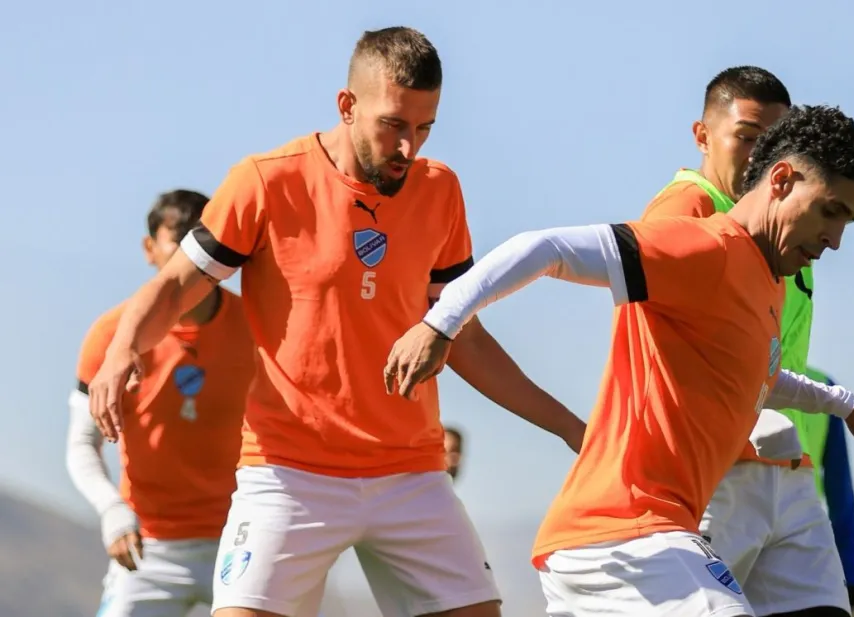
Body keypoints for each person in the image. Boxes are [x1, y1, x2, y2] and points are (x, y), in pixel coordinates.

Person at [86, 26, 585, 617]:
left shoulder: (441, 190)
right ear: (347, 106)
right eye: (394, 126)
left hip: (410, 472)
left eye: (424, 129)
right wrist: (121, 350)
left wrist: (572, 428)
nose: (409, 150)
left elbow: (466, 339)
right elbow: (172, 287)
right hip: (288, 474)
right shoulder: (267, 180)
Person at [384, 103, 854, 617]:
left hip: (655, 537)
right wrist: (440, 323)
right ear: (782, 180)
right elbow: (545, 247)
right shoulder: (704, 245)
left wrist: (846, 406)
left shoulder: (767, 282)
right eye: (830, 211)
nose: (835, 239)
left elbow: (758, 378)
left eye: (847, 222)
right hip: (616, 537)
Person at [641, 50, 854, 616]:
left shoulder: (792, 212)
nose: (761, 157)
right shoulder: (688, 209)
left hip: (778, 465)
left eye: (776, 141)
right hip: (712, 475)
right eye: (746, 137)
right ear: (702, 134)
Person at [66, 190, 256, 616]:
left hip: (243, 539)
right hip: (148, 548)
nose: (194, 259)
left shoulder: (258, 326)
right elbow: (82, 442)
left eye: (203, 243)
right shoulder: (111, 335)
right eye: (180, 243)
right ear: (149, 249)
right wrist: (112, 510)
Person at [806, 366, 854, 610]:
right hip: (725, 535)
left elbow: (840, 491)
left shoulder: (826, 388)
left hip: (799, 543)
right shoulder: (824, 387)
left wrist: (850, 569)